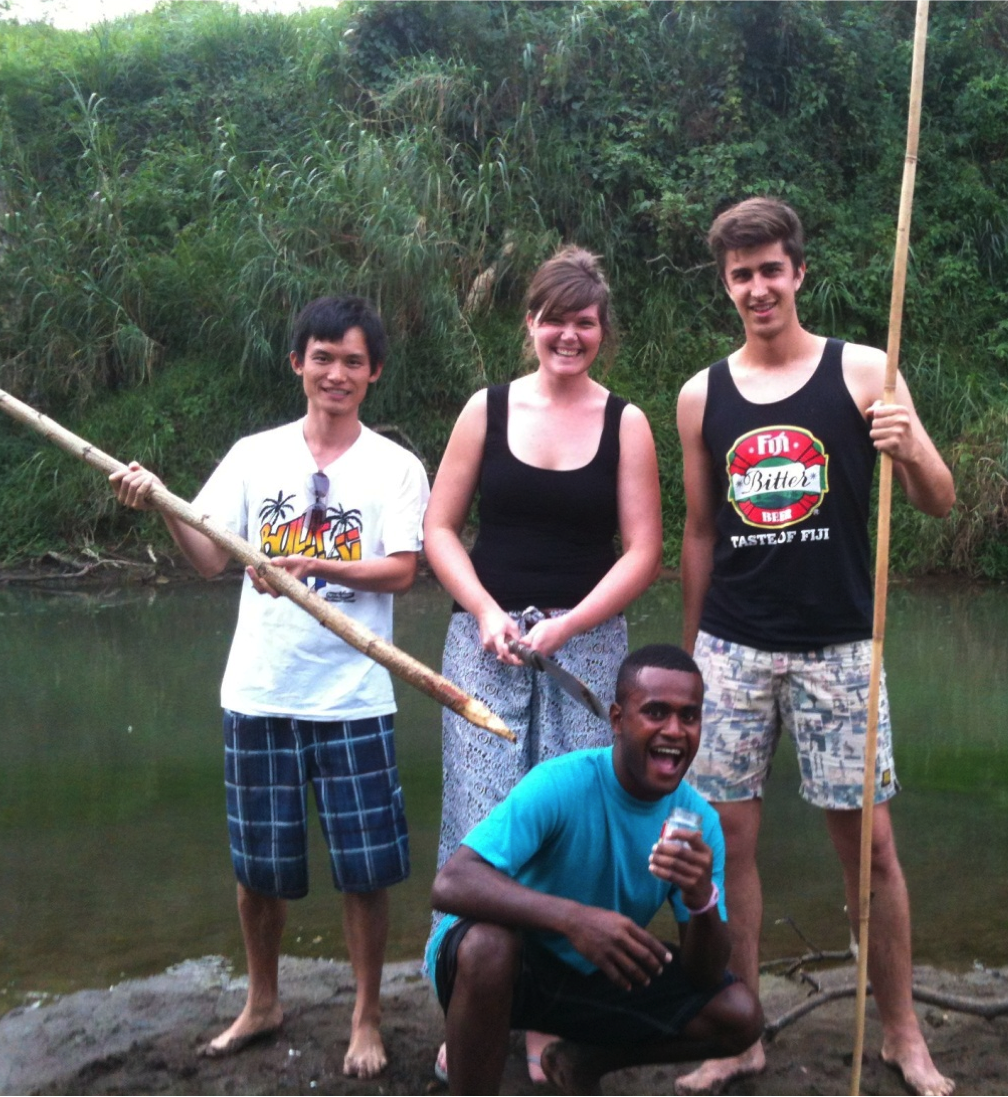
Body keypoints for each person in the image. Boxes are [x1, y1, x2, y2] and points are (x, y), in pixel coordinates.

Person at [674, 198, 957, 1096]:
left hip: (840, 645)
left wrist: (909, 449)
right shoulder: (700, 395)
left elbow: (940, 499)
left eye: (771, 269)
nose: (758, 287)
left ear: (799, 272)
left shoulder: (865, 370)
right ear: (726, 286)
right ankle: (740, 1030)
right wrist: (689, 657)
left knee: (869, 849)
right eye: (741, 274)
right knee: (726, 843)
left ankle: (902, 1032)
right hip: (733, 645)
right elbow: (699, 533)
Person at [109, 296, 428, 1079]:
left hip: (353, 696)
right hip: (259, 691)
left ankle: (366, 1013)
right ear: (297, 364)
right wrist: (162, 504)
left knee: (366, 870)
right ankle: (262, 1000)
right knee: (258, 867)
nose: (336, 373)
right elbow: (209, 558)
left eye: (353, 360)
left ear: (374, 372)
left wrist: (317, 565)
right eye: (323, 357)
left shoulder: (395, 466)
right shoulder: (254, 456)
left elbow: (402, 569)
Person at [422, 245, 662, 1079]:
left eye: (584, 322)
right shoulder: (484, 409)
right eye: (554, 319)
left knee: (574, 823)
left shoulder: (626, 421)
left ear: (602, 330)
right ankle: (470, 1003)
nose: (568, 335)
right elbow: (439, 529)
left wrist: (568, 625)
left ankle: (546, 1017)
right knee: (482, 821)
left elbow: (643, 550)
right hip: (484, 644)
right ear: (530, 323)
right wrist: (488, 610)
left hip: (585, 648)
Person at [427, 644, 764, 1096]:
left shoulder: (698, 822)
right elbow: (452, 882)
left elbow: (703, 977)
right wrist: (574, 920)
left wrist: (701, 898)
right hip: (510, 966)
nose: (674, 730)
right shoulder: (561, 783)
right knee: (488, 945)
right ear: (617, 719)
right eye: (656, 712)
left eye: (689, 716)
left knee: (739, 1014)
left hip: (593, 973)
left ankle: (581, 1061)